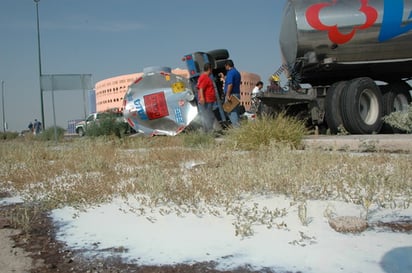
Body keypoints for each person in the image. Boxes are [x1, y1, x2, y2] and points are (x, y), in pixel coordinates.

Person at [197, 63, 217, 133]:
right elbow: (201, 88)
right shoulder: (204, 77)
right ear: (209, 69)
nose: (212, 71)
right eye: (211, 69)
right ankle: (209, 131)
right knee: (208, 117)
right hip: (206, 101)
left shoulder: (205, 77)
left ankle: (208, 131)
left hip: (208, 101)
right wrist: (202, 98)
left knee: (208, 116)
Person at [223, 59, 242, 127]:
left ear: (227, 65)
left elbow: (230, 84)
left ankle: (237, 129)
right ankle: (240, 129)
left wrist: (228, 95)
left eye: (225, 66)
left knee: (230, 111)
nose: (225, 68)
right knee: (235, 112)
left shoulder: (230, 72)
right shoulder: (237, 72)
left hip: (231, 94)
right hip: (237, 94)